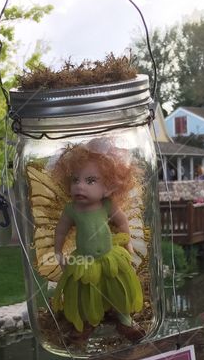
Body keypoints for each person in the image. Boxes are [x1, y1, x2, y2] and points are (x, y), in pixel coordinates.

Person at [51, 139, 144, 342]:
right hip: (84, 261)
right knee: (85, 293)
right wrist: (58, 252)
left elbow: (122, 221)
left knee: (119, 288)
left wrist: (127, 243)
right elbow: (60, 231)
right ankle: (85, 323)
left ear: (108, 187)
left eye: (90, 181)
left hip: (110, 257)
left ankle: (124, 319)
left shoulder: (106, 205)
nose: (80, 186)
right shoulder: (72, 210)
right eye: (75, 180)